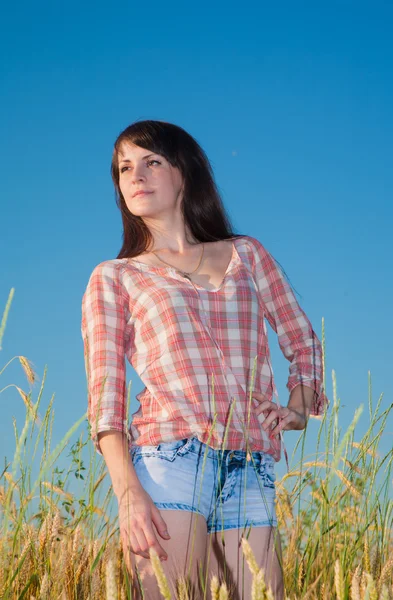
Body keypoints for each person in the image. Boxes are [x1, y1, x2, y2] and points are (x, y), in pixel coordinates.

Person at [81, 120, 329, 600]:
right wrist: (128, 492)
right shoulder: (114, 277)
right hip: (168, 459)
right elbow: (105, 396)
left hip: (249, 463)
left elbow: (303, 340)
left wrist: (297, 409)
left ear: (185, 173)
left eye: (152, 162)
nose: (136, 176)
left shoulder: (247, 256)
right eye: (124, 168)